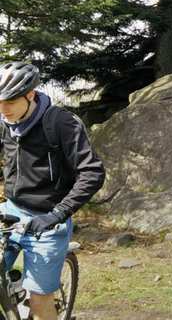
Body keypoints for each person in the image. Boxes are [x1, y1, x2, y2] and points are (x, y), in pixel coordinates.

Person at [0, 62, 105, 320]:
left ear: (30, 95)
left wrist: (57, 214)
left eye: (10, 101)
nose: (3, 109)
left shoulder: (61, 123)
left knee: (39, 303)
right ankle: (13, 291)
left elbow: (92, 172)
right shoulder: (5, 123)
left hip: (49, 220)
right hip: (11, 211)